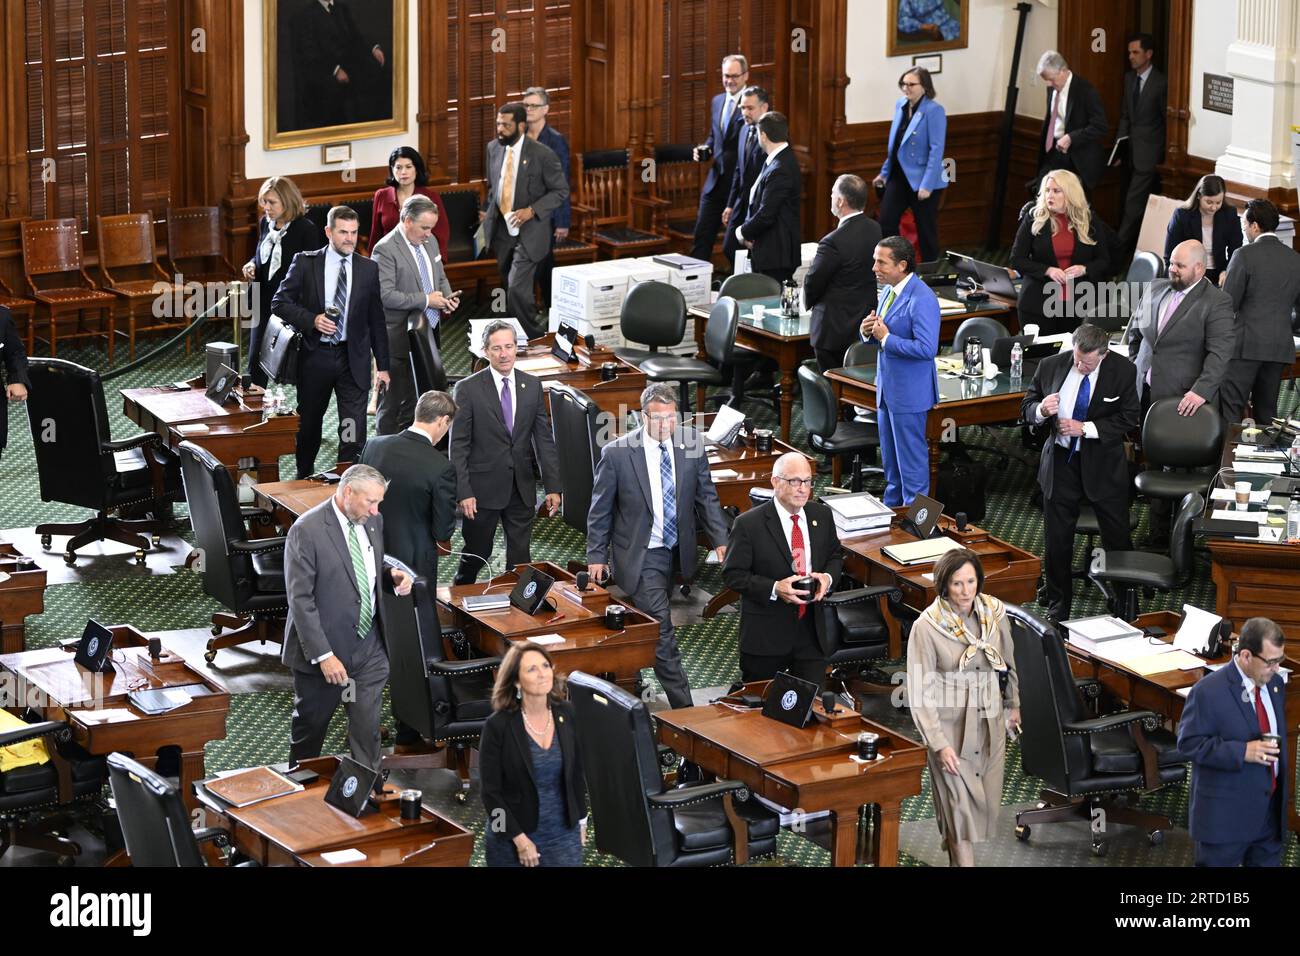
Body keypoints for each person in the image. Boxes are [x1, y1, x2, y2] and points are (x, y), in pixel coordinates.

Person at [586, 384, 729, 709]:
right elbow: (600, 510)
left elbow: (706, 497)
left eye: (671, 417)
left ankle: (628, 680)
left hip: (678, 552)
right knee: (662, 631)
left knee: (645, 621)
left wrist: (721, 540)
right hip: (641, 554)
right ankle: (685, 711)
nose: (666, 425)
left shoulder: (691, 444)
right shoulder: (617, 454)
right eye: (658, 419)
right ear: (643, 417)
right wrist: (596, 555)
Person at [281, 464, 414, 772]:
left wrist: (391, 575)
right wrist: (324, 656)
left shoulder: (371, 520)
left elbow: (369, 566)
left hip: (369, 647)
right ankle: (301, 786)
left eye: (379, 502)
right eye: (371, 501)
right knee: (311, 729)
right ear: (348, 492)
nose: (376, 510)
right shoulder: (306, 530)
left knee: (367, 729)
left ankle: (367, 789)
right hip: (325, 652)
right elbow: (300, 600)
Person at [906, 548, 1020, 867]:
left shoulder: (994, 613)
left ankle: (957, 855)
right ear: (944, 585)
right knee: (958, 807)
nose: (966, 591)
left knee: (983, 805)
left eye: (971, 581)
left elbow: (1009, 663)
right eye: (957, 583)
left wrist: (1013, 704)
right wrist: (938, 744)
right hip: (949, 726)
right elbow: (919, 692)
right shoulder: (927, 627)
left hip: (989, 721)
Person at [1022, 324, 1139, 622]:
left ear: (1103, 354)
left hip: (1103, 465)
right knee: (1057, 541)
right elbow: (1026, 407)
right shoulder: (1051, 365)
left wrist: (1085, 428)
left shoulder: (1123, 370)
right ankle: (1058, 607)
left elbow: (1129, 417)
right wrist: (1041, 410)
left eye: (1087, 363)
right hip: (1061, 463)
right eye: (1077, 359)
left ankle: (1126, 604)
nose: (1080, 366)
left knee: (1117, 537)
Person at [271, 205, 390, 479]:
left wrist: (383, 366)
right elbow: (279, 302)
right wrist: (312, 320)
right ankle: (303, 476)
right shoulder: (306, 262)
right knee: (309, 424)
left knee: (352, 427)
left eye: (354, 232)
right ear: (328, 232)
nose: (349, 239)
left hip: (353, 359)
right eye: (343, 232)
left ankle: (346, 481)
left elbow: (377, 320)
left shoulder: (368, 269)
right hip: (316, 356)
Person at [449, 320, 561, 584]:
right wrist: (463, 491)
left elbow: (543, 440)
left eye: (509, 346)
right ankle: (459, 591)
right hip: (481, 491)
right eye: (497, 348)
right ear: (485, 351)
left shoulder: (532, 385)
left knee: (520, 560)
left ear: (516, 348)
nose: (504, 354)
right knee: (477, 553)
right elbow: (458, 445)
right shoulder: (467, 389)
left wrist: (553, 486)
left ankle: (517, 607)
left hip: (521, 488)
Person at [722, 452, 842, 687]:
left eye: (808, 481)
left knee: (811, 705)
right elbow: (733, 575)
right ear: (775, 482)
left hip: (812, 632)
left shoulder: (822, 515)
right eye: (795, 481)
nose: (803, 489)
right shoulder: (748, 524)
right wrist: (775, 588)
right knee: (761, 705)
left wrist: (827, 578)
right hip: (767, 635)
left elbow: (835, 556)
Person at [1177, 617, 1289, 867]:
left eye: (1279, 660)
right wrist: (1242, 751)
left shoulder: (1275, 684)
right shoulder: (1207, 692)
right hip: (1225, 819)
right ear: (1246, 656)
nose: (1276, 668)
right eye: (1271, 662)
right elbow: (1189, 743)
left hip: (1268, 815)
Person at [479, 642, 587, 867]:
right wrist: (519, 840)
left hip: (563, 835)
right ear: (517, 681)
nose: (542, 674)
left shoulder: (567, 713)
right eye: (531, 669)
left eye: (545, 666)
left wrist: (582, 820)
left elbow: (576, 774)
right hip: (512, 838)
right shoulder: (497, 726)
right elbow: (490, 794)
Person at [859, 236, 939, 507]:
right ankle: (892, 518)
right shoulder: (889, 291)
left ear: (902, 265)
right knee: (892, 468)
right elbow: (881, 332)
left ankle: (920, 526)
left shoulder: (922, 298)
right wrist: (867, 331)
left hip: (910, 396)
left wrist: (886, 339)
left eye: (881, 262)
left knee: (913, 470)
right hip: (887, 393)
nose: (874, 268)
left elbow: (927, 349)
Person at [371, 194, 460, 434]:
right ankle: (385, 448)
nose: (429, 233)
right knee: (392, 402)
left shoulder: (430, 241)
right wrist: (427, 300)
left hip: (427, 332)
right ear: (408, 221)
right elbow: (385, 295)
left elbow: (439, 276)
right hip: (397, 338)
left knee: (418, 397)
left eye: (431, 228)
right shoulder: (385, 249)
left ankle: (410, 444)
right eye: (424, 227)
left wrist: (448, 297)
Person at [480, 102, 569, 339]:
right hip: (501, 231)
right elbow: (493, 186)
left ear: (521, 126)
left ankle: (534, 338)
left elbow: (560, 191)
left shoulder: (542, 154)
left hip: (531, 232)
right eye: (498, 124)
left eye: (506, 125)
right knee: (510, 287)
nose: (500, 129)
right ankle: (513, 339)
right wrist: (488, 212)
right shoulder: (493, 148)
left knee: (517, 288)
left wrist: (532, 210)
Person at [358, 389, 458, 586]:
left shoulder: (373, 446)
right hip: (412, 563)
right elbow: (442, 531)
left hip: (368, 548)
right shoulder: (441, 467)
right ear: (443, 420)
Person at [1128, 239, 1235, 417]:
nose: (1172, 269)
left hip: (1183, 400)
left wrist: (1201, 391)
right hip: (1141, 390)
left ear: (1199, 268)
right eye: (1171, 263)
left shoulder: (1217, 301)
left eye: (1180, 265)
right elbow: (1136, 334)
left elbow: (1220, 353)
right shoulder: (1154, 288)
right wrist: (1136, 368)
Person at [1221, 199, 1300, 426]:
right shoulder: (1296, 260)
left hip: (1245, 346)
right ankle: (1264, 450)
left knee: (1231, 407)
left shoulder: (1243, 255)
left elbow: (1227, 304)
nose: (1244, 230)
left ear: (1255, 226)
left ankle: (1230, 451)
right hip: (1279, 347)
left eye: (1245, 225)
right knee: (1267, 413)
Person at [242, 176, 324, 388]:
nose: (266, 207)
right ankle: (254, 402)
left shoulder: (305, 229)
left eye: (272, 202)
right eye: (264, 202)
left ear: (287, 201)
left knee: (295, 365)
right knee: (255, 360)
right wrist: (251, 264)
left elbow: (312, 272)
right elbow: (260, 255)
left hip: (290, 304)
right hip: (263, 300)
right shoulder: (265, 223)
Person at [1011, 170, 1112, 337]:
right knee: (1042, 350)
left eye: (1056, 191)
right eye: (1047, 190)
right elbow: (1016, 260)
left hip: (1078, 303)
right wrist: (1047, 270)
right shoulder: (1034, 218)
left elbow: (1104, 260)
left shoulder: (1089, 220)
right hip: (1038, 303)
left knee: (1072, 350)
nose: (1049, 195)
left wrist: (1084, 269)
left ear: (1071, 194)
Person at [805, 174, 882, 372]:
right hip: (865, 323)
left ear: (841, 201)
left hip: (832, 330)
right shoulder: (875, 229)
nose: (830, 197)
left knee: (830, 384)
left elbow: (813, 282)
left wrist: (807, 303)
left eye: (832, 194)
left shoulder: (832, 242)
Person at [874, 67, 947, 263]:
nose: (906, 88)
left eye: (911, 84)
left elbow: (936, 150)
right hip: (899, 176)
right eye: (903, 84)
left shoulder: (934, 110)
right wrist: (884, 173)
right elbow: (896, 145)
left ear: (925, 87)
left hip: (924, 179)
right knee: (886, 221)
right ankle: (894, 264)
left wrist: (927, 185)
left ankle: (930, 271)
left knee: (926, 229)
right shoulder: (900, 104)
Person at [290, 0, 389, 129]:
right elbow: (309, 53)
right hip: (325, 74)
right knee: (338, 102)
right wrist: (335, 70)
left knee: (380, 77)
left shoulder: (342, 9)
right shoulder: (307, 15)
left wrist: (373, 48)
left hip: (350, 69)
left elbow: (356, 36)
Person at [690, 54, 750, 264]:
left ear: (745, 76)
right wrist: (704, 149)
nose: (729, 81)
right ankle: (697, 283)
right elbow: (715, 137)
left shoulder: (752, 103)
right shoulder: (717, 101)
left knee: (733, 247)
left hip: (738, 187)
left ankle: (739, 283)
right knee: (701, 239)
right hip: (714, 182)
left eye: (734, 76)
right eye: (726, 76)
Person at [1112, 33, 1167, 258]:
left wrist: (1163, 153)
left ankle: (1116, 254)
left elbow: (1165, 120)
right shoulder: (1128, 79)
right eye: (1129, 52)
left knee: (1133, 204)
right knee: (1127, 201)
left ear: (1149, 54)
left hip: (1149, 154)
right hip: (1130, 152)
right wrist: (1119, 146)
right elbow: (1125, 115)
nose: (1131, 57)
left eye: (1135, 52)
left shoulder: (1161, 82)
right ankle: (1124, 251)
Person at [733, 111, 801, 284]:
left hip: (776, 255)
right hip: (770, 251)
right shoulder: (778, 159)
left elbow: (767, 214)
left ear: (763, 135)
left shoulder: (780, 167)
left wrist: (742, 232)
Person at [522, 86, 572, 309]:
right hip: (519, 214)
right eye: (526, 105)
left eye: (534, 105)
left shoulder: (555, 141)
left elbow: (562, 184)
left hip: (545, 214)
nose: (529, 109)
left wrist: (562, 221)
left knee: (543, 265)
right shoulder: (518, 137)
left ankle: (553, 310)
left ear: (546, 109)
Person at [1035, 51, 1108, 196]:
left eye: (1052, 79)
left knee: (1072, 205)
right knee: (1043, 198)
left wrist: (1071, 137)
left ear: (1063, 71)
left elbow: (1100, 126)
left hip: (1077, 159)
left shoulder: (1086, 91)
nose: (1049, 84)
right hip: (1052, 153)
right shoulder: (1052, 88)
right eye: (1047, 80)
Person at [721, 85, 771, 267]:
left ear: (764, 108)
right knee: (729, 247)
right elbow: (738, 170)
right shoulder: (743, 129)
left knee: (754, 252)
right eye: (742, 108)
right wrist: (730, 204)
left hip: (759, 205)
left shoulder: (772, 134)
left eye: (750, 108)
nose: (745, 113)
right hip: (741, 202)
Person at [369, 147, 450, 256]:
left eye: (408, 167)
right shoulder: (381, 196)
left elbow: (441, 233)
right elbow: (376, 234)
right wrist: (371, 261)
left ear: (416, 169)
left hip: (421, 253)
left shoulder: (431, 197)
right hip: (389, 255)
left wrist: (437, 260)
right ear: (392, 170)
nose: (403, 172)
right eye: (398, 167)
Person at [1164, 175, 1241, 287]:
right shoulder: (1182, 215)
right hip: (1187, 272)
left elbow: (1236, 249)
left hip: (1218, 273)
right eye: (1209, 202)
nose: (1214, 207)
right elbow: (1169, 254)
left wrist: (1226, 270)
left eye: (1218, 202)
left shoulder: (1229, 214)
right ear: (1199, 196)